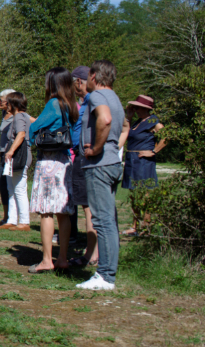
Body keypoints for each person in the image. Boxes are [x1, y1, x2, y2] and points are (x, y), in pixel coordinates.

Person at [77, 60, 126, 291]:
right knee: (110, 221)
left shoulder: (97, 97)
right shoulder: (115, 98)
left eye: (88, 76)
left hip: (98, 165)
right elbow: (123, 126)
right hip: (113, 163)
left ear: (94, 76)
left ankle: (105, 276)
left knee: (103, 221)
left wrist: (96, 149)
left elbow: (105, 120)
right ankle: (108, 273)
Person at [27, 67, 78, 274]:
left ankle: (47, 259)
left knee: (46, 211)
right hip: (64, 161)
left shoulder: (53, 104)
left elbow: (34, 127)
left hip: (48, 162)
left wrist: (33, 139)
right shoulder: (71, 105)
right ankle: (63, 258)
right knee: (63, 212)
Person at [121, 95, 166, 236]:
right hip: (132, 160)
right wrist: (128, 117)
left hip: (143, 162)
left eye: (138, 107)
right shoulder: (136, 122)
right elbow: (125, 132)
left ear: (146, 108)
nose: (136, 109)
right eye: (134, 107)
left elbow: (166, 135)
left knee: (144, 195)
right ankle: (135, 226)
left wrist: (153, 152)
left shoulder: (152, 120)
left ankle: (146, 228)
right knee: (134, 195)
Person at [68, 67, 98, 267]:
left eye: (74, 83)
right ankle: (93, 251)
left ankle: (92, 254)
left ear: (80, 82)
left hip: (85, 157)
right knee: (90, 207)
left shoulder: (92, 101)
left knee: (89, 208)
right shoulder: (89, 102)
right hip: (83, 155)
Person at [1, 92, 32, 231]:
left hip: (19, 155)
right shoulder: (23, 116)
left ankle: (24, 221)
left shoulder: (19, 116)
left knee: (19, 189)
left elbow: (21, 134)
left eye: (8, 103)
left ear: (13, 104)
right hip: (15, 156)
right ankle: (11, 220)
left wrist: (11, 151)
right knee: (11, 188)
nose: (6, 105)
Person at [0, 89, 16, 225]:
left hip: (11, 154)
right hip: (3, 154)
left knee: (11, 186)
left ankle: (13, 217)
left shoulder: (17, 115)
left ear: (9, 101)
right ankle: (6, 216)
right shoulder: (4, 113)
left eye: (0, 100)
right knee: (3, 185)